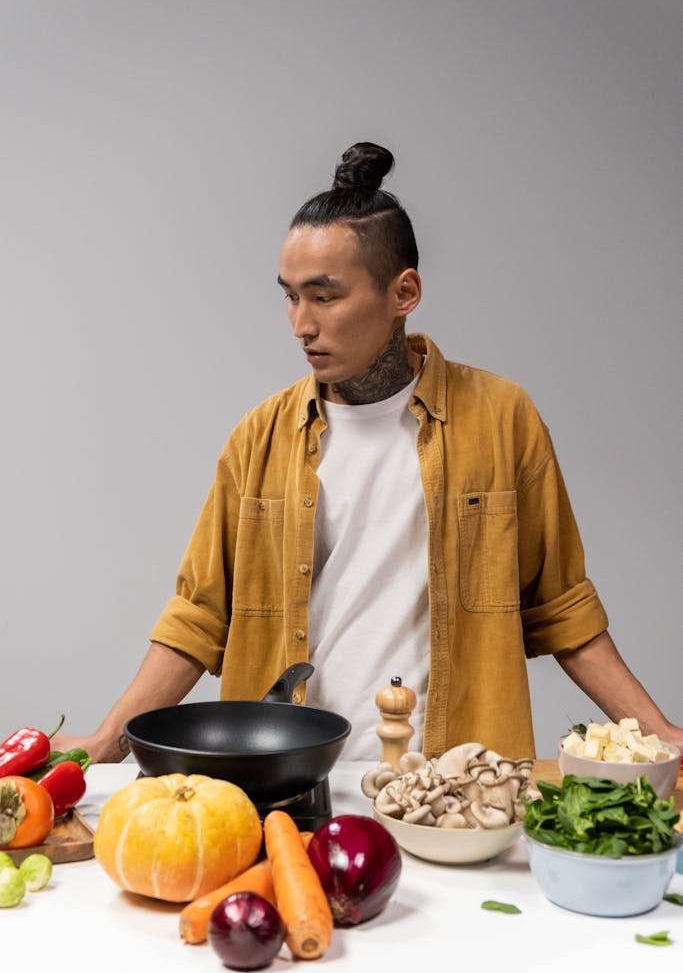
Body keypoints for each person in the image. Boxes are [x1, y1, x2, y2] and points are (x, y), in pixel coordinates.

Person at [54, 142, 682, 763]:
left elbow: (562, 607)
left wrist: (661, 733)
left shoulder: (501, 417)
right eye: (290, 296)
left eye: (324, 296)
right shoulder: (261, 435)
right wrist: (107, 740)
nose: (302, 323)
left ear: (403, 292)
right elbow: (198, 615)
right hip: (296, 777)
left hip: (457, 781)